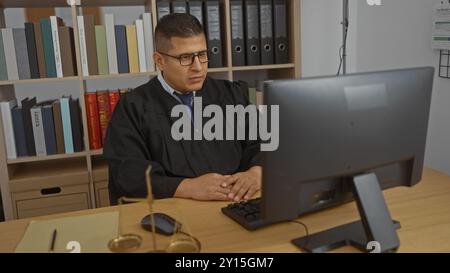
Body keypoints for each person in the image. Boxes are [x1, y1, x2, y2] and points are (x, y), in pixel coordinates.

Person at [103, 13, 261, 205]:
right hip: (174, 208)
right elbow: (127, 173)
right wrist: (187, 187)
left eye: (202, 55)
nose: (198, 68)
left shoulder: (230, 94)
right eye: (185, 58)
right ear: (160, 60)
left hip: (237, 203)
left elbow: (264, 141)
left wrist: (256, 172)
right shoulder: (133, 107)